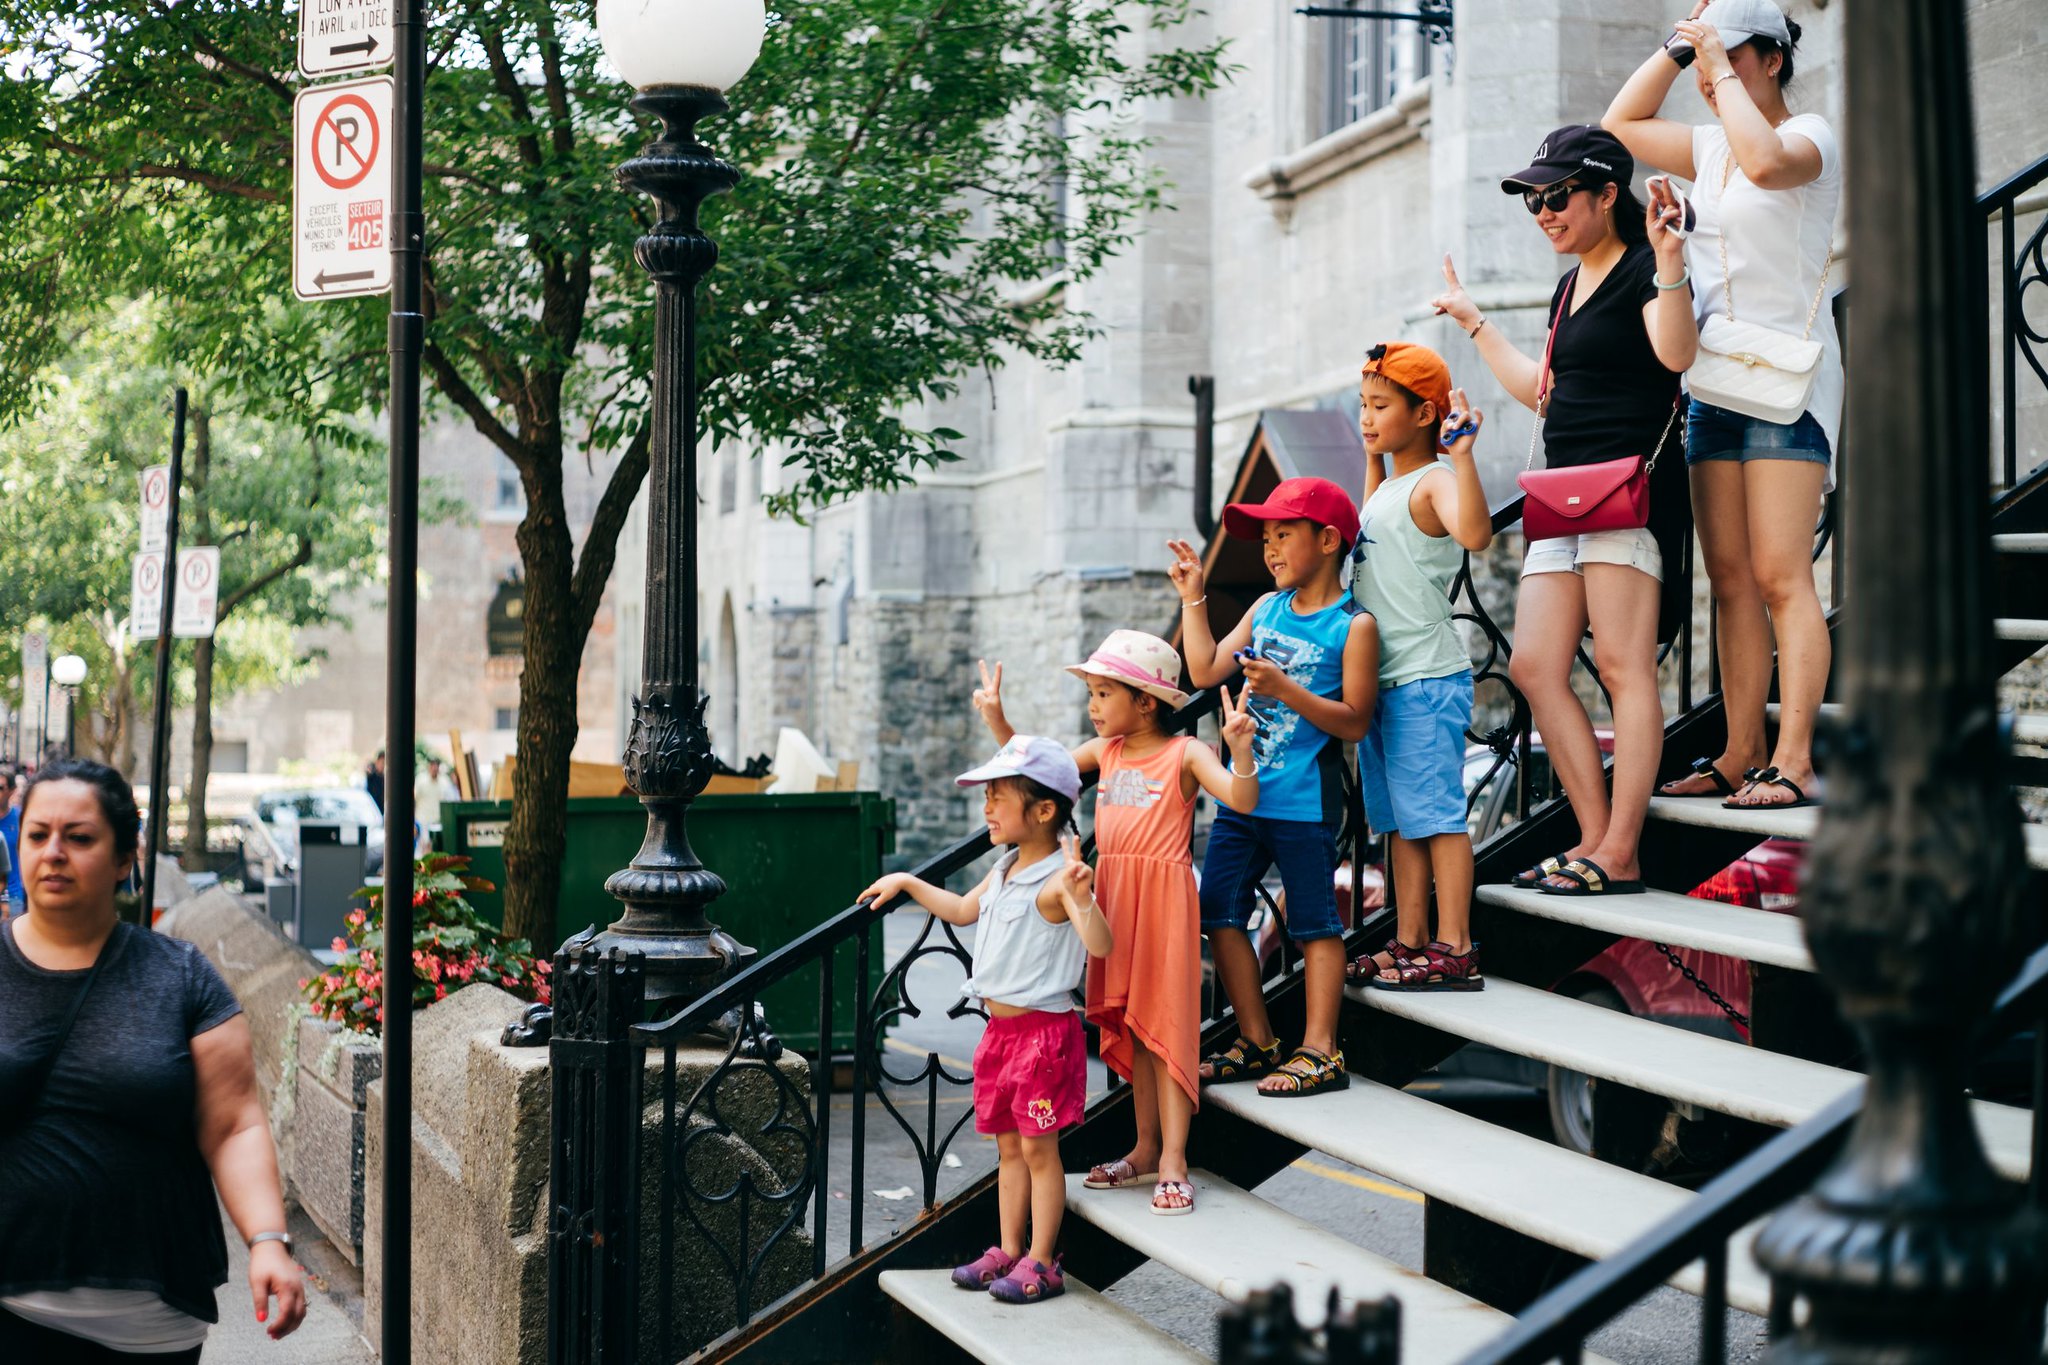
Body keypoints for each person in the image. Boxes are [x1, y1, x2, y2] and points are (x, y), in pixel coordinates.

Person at [1433, 123, 1697, 898]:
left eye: (1555, 196)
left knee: (1620, 665)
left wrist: (1674, 261)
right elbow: (1545, 391)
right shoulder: (1567, 284)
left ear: (1607, 194)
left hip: (1627, 492)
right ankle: (1591, 836)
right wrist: (1476, 323)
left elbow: (1676, 355)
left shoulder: (1645, 265)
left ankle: (1620, 848)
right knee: (1534, 665)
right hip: (1563, 490)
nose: (1542, 211)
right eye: (1533, 201)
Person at [1604, 0, 1838, 811]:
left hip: (1785, 385)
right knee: (1730, 579)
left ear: (1772, 59)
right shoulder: (1709, 146)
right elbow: (1620, 122)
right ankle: (1740, 753)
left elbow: (1769, 163)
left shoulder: (1809, 134)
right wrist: (1681, 48)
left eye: (1731, 59)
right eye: (1708, 65)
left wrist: (1719, 70)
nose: (1713, 78)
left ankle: (1795, 758)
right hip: (1713, 384)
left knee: (1781, 575)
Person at [0, 758, 308, 1358]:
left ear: (123, 858)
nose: (54, 852)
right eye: (38, 835)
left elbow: (234, 1124)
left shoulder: (181, 977)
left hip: (147, 1325)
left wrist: (268, 1240)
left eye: (79, 837)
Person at [972, 632, 1259, 1215]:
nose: (1093, 706)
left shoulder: (1184, 754)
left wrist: (1240, 750)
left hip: (1164, 907)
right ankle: (1146, 1146)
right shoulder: (1105, 753)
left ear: (1146, 701)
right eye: (1092, 694)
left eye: (1104, 693)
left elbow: (1242, 798)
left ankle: (1175, 1158)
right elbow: (1041, 775)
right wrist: (999, 723)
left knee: (1167, 1030)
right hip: (1111, 902)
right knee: (1132, 1028)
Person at [858, 737, 1111, 1303]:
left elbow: (1101, 943)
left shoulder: (1057, 880)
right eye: (987, 796)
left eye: (998, 797)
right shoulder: (1003, 869)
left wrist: (1082, 896)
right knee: (1008, 1150)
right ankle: (1008, 1249)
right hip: (1000, 1036)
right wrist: (906, 883)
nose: (987, 808)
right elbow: (962, 910)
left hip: (1043, 1038)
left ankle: (1043, 1262)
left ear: (1044, 810)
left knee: (1041, 1152)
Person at [1172, 477, 1378, 1097]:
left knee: (1314, 924)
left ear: (1328, 540)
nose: (1270, 548)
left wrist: (1287, 689)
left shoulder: (1353, 625)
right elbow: (1206, 669)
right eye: (1266, 538)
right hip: (1243, 797)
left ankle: (1320, 1050)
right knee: (1218, 911)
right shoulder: (1265, 608)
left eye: (1282, 534)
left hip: (1305, 806)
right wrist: (1194, 599)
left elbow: (1357, 720)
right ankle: (1259, 1040)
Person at [1342, 344, 1495, 990]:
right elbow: (1370, 524)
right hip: (1383, 684)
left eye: (1380, 406)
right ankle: (1408, 939)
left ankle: (1454, 943)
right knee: (1399, 823)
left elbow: (1476, 534)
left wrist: (1462, 458)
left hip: (1426, 679)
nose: (1367, 418)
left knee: (1436, 816)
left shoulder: (1434, 479)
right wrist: (1373, 454)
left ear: (1425, 412)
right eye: (1363, 406)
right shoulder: (1389, 486)